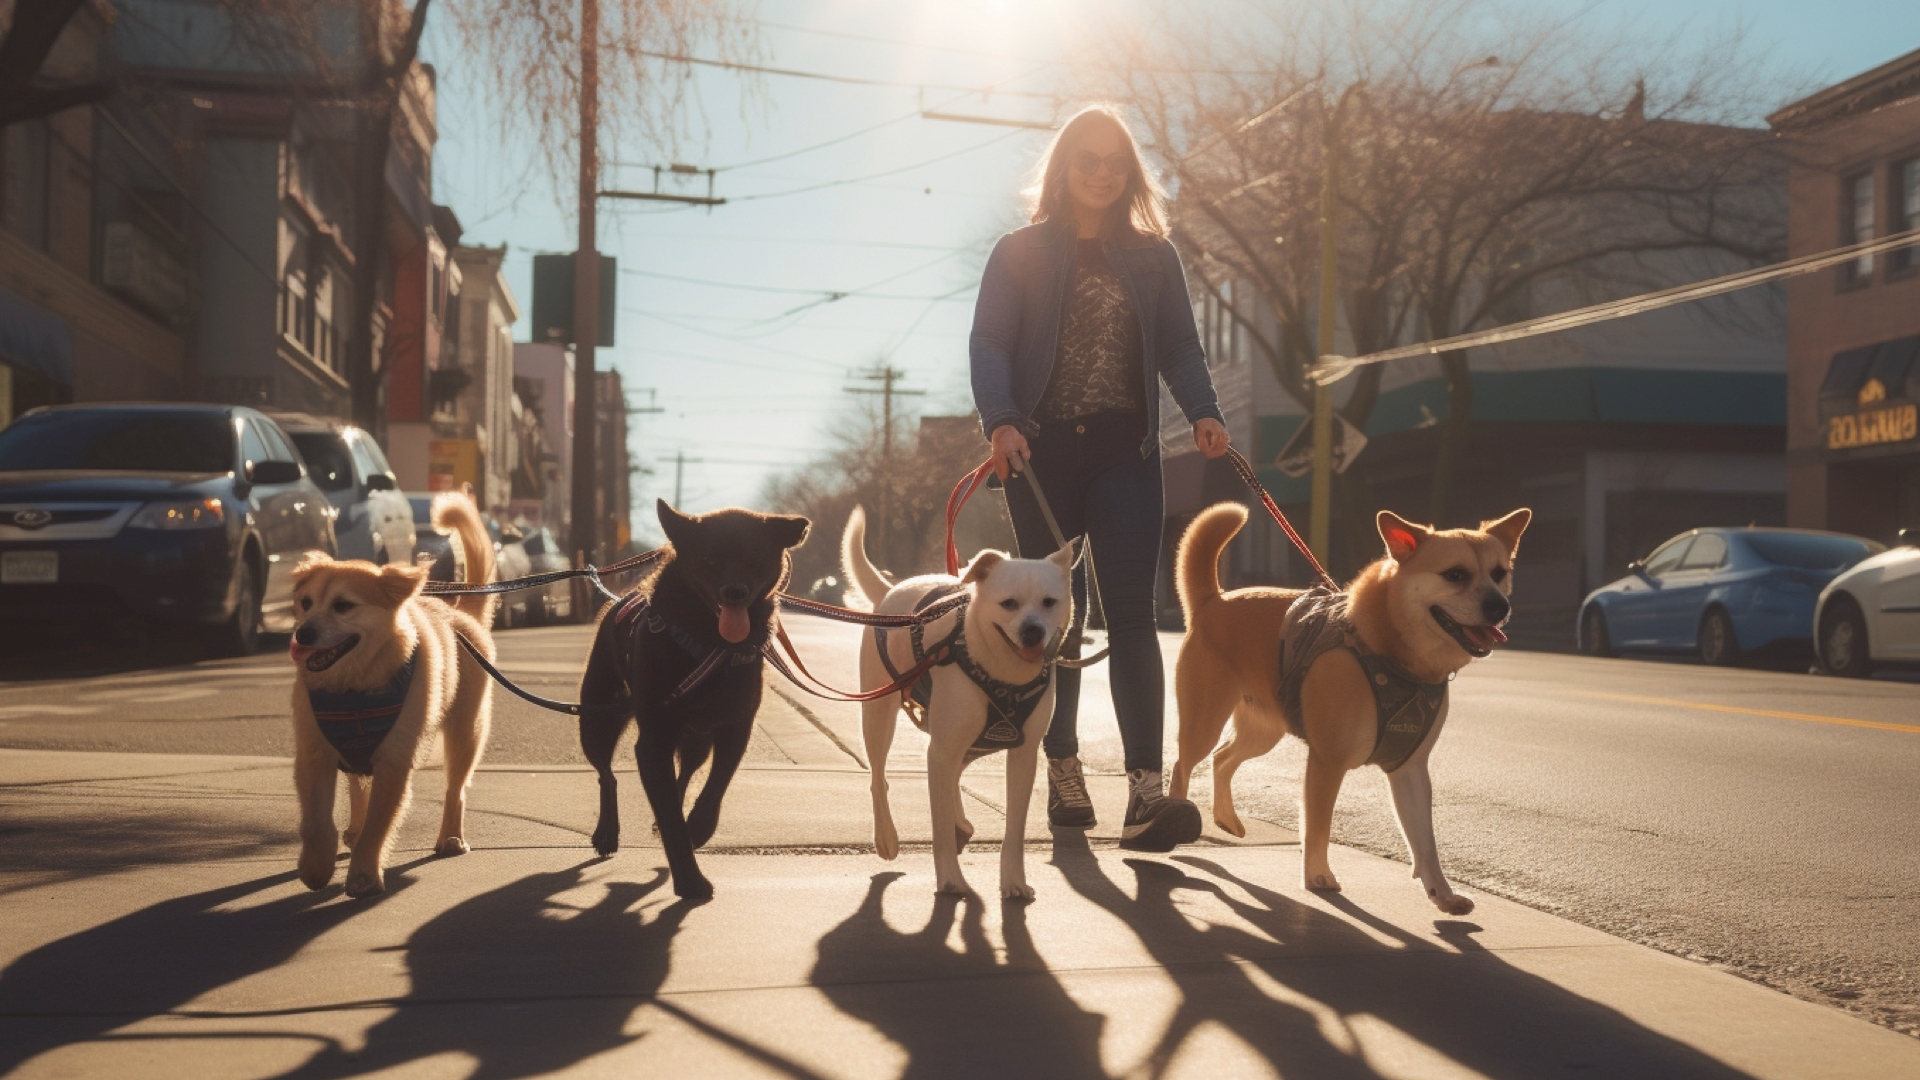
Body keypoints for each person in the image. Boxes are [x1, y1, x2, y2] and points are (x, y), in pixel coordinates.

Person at [969, 104, 1231, 852]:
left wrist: (1203, 411)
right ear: (1063, 167)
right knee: (1062, 614)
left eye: (1116, 159)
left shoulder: (1155, 257)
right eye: (1087, 157)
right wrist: (1001, 420)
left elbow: (1181, 347)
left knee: (1131, 609)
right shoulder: (1019, 251)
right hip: (1039, 455)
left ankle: (1146, 791)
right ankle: (1062, 766)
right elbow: (989, 342)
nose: (1102, 169)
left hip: (1125, 451)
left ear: (1129, 173)